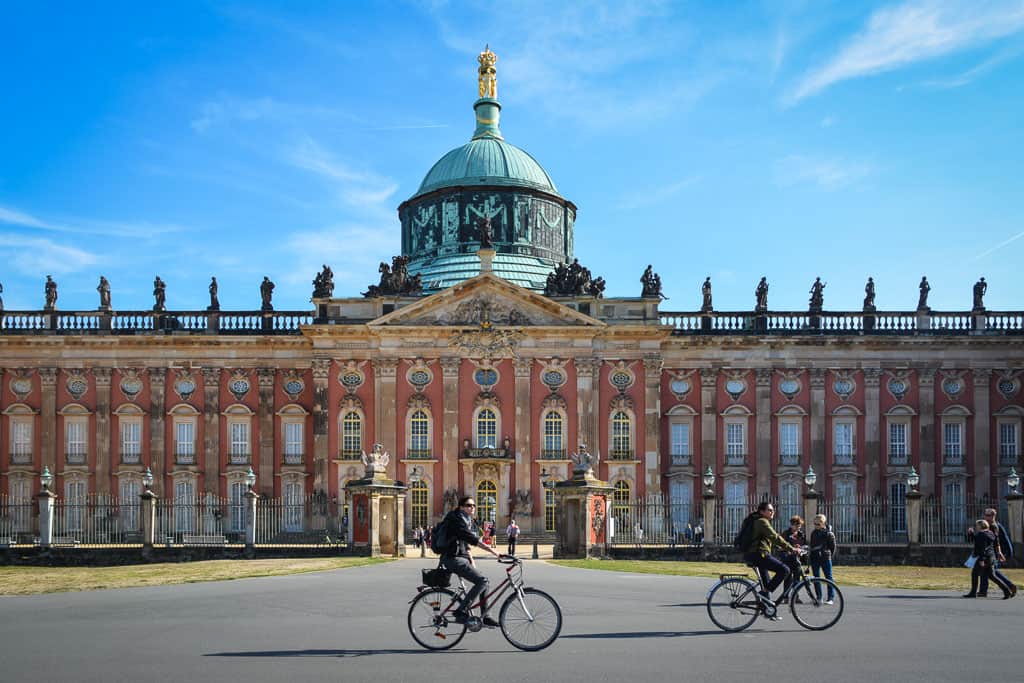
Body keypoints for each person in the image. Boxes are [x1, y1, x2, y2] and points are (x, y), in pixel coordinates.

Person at [439, 496, 502, 626]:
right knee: (482, 581)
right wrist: (494, 552)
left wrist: (472, 561)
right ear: (461, 507)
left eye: (473, 505)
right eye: (468, 505)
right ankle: (461, 611)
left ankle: (485, 616)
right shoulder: (457, 520)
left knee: (485, 582)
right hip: (453, 559)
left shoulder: (464, 519)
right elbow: (471, 539)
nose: (472, 508)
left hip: (458, 558)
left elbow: (464, 544)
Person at [741, 501, 796, 617]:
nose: (773, 512)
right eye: (770, 510)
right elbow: (775, 536)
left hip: (754, 554)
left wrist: (784, 548)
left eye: (773, 510)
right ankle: (763, 593)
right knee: (785, 570)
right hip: (759, 555)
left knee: (766, 582)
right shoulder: (762, 522)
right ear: (762, 511)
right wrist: (791, 548)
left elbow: (767, 540)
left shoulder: (757, 521)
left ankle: (768, 610)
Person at [967, 508, 1017, 598]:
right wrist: (972, 534)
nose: (986, 517)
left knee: (986, 573)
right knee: (990, 574)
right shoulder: (988, 530)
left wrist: (1001, 552)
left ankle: (1008, 586)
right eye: (985, 515)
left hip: (988, 555)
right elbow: (985, 540)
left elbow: (1001, 540)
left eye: (988, 515)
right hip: (991, 555)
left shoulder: (994, 526)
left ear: (993, 516)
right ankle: (1005, 590)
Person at [809, 514, 837, 604]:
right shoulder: (814, 533)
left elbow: (833, 547)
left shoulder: (829, 533)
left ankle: (830, 598)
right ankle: (819, 597)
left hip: (825, 558)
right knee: (816, 578)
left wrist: (828, 555)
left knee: (829, 578)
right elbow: (812, 545)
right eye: (815, 524)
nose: (816, 525)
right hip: (815, 558)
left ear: (823, 523)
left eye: (818, 523)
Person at [779, 515, 806, 595]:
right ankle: (786, 596)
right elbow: (780, 546)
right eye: (796, 526)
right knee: (788, 578)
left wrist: (801, 548)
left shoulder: (801, 534)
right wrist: (792, 548)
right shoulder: (786, 533)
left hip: (797, 559)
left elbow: (804, 544)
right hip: (787, 558)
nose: (798, 528)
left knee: (797, 578)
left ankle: (795, 596)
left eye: (800, 526)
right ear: (792, 525)